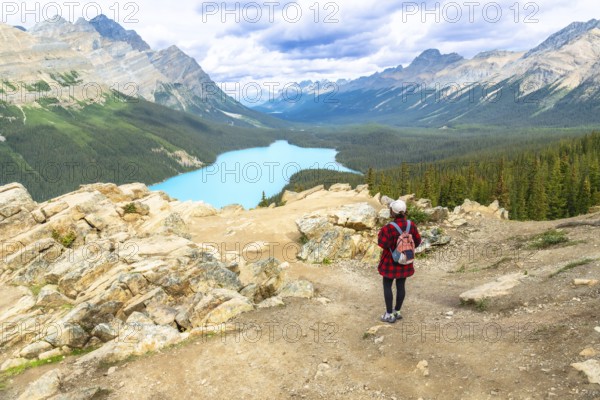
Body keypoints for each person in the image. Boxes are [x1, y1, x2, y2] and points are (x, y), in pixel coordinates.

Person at [377, 199, 421, 323]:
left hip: (390, 262)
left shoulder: (388, 228)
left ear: (392, 212)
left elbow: (382, 243)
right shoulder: (411, 225)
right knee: (401, 285)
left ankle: (389, 314)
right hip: (405, 260)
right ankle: (397, 311)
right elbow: (417, 241)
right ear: (405, 211)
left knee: (387, 285)